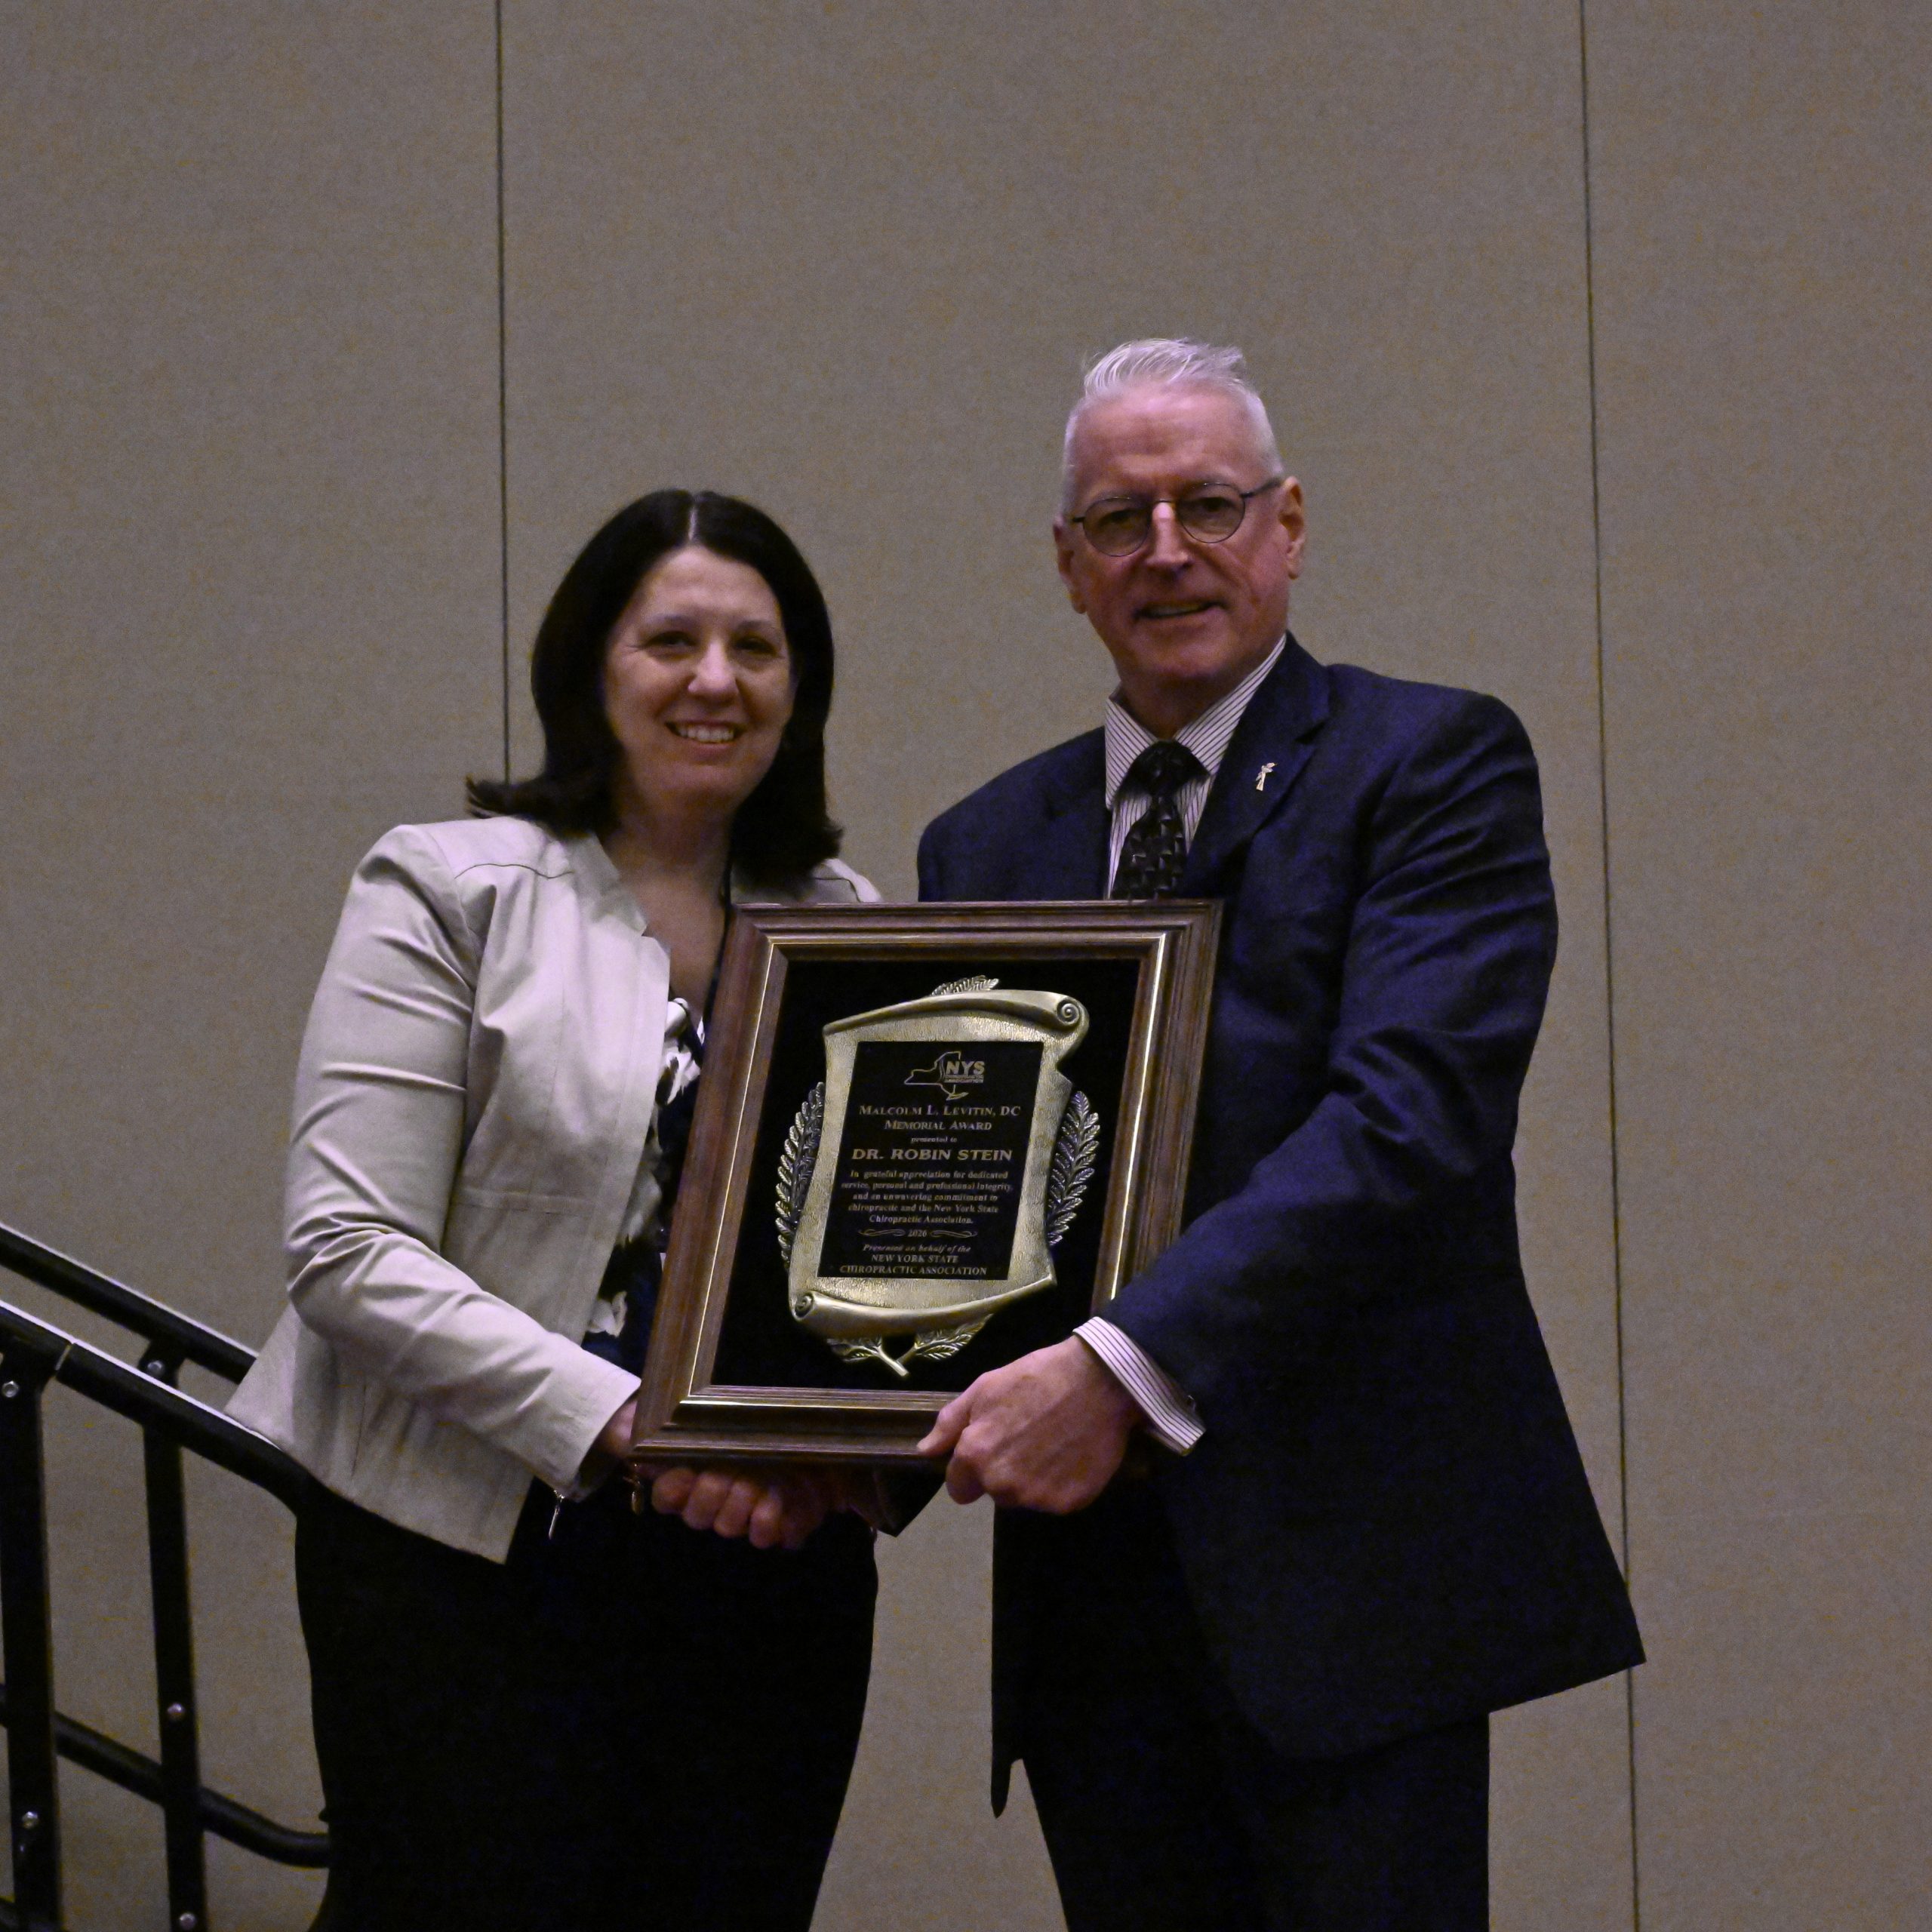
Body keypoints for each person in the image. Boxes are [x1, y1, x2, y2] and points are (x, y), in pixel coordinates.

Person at [916, 340, 1643, 1932]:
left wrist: (1111, 1366)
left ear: (1289, 523)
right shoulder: (983, 840)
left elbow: (1408, 1119)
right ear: (1066, 566)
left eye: (1208, 504)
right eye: (1117, 519)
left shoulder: (1427, 761)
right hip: (1090, 1601)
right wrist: (808, 1412)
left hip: (1354, 1579)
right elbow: (952, 1188)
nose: (1164, 549)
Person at [229, 489, 881, 1932]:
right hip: (466, 1562)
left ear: (800, 687)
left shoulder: (850, 918)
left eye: (758, 648)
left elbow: (867, 1254)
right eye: (673, 640)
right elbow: (347, 1251)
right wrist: (633, 1426)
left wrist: (847, 1450)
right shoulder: (446, 889)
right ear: (592, 665)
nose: (716, 680)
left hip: (763, 1558)